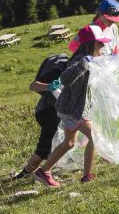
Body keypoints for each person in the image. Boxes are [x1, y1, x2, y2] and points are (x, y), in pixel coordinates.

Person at [32, 25, 113, 187]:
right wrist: (84, 64)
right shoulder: (79, 62)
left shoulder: (90, 60)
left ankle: (43, 172)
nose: (103, 46)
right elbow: (66, 79)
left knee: (69, 143)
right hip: (74, 110)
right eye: (100, 43)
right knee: (95, 137)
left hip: (71, 108)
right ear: (90, 44)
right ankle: (87, 176)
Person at [14, 52, 70, 180]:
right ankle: (25, 174)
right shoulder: (60, 69)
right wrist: (49, 86)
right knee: (45, 145)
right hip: (47, 111)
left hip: (55, 111)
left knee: (53, 144)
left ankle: (35, 172)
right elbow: (33, 85)